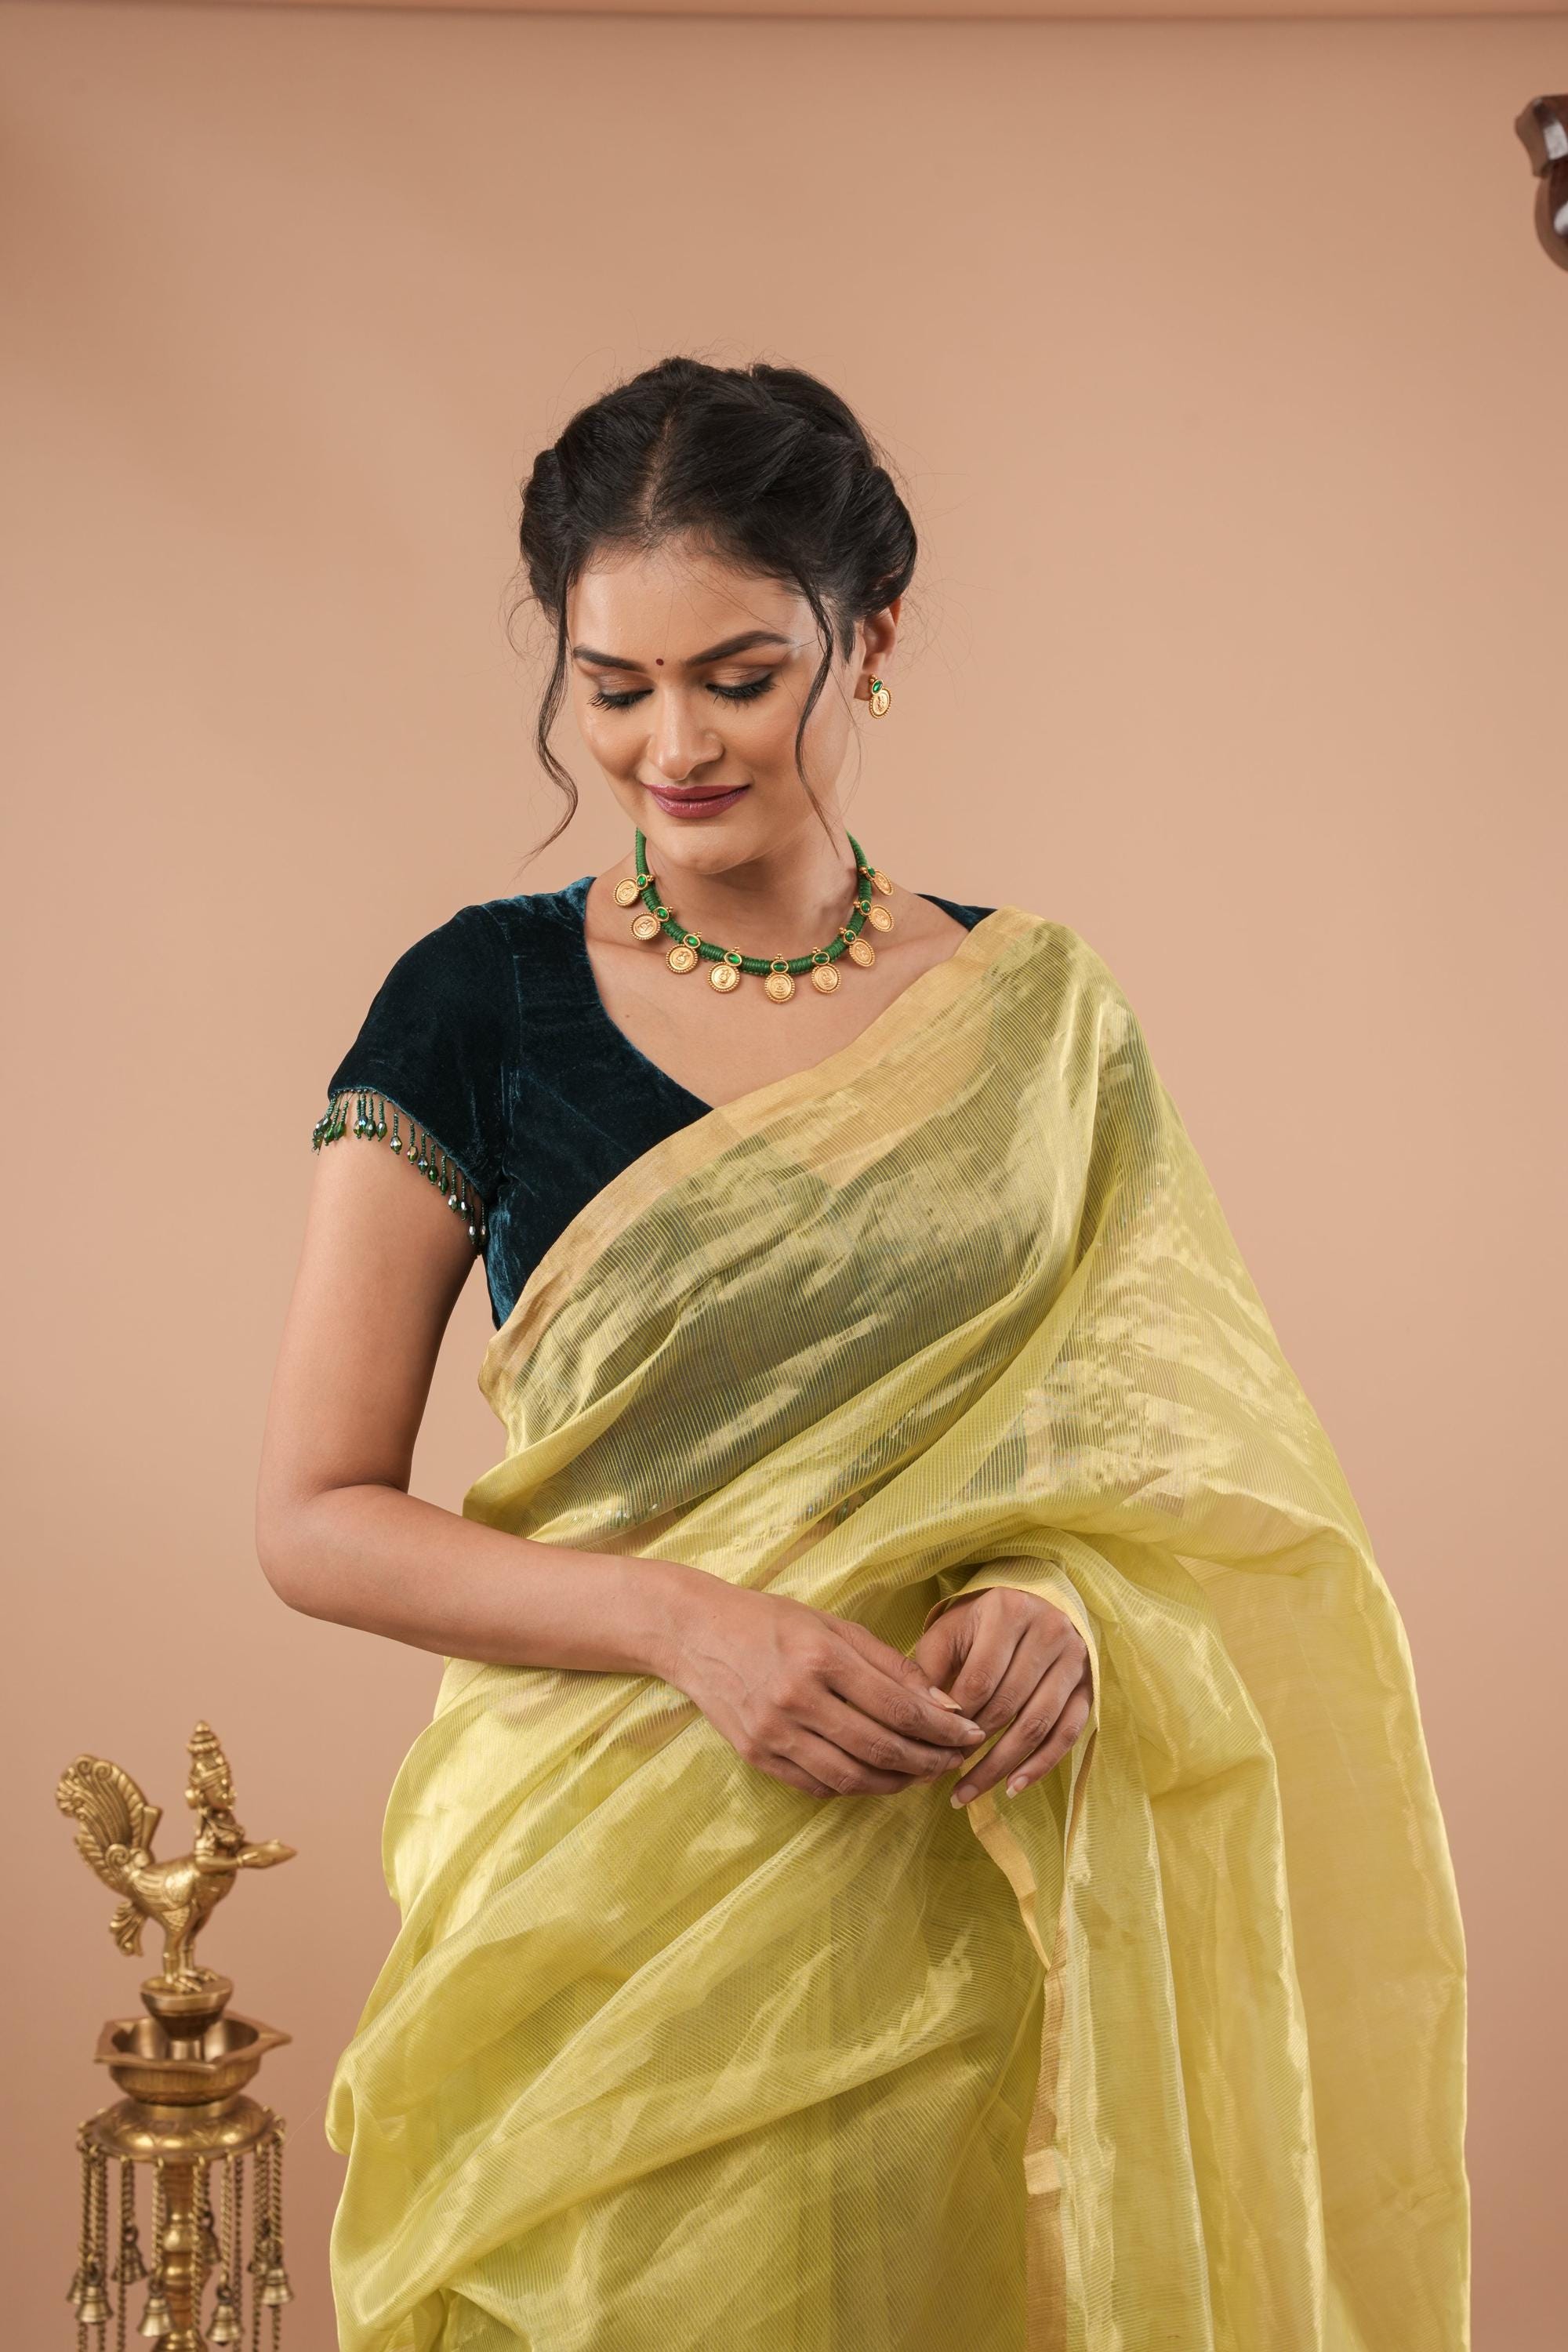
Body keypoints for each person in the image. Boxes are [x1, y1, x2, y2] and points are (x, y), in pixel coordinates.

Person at [255, 358, 1468, 2352]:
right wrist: (687, 1629)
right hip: (603, 1914)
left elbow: (1190, 1454)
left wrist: (1070, 1605)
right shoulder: (477, 1000)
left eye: (736, 678)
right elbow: (315, 1515)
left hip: (963, 1902)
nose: (670, 746)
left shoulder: (1035, 1019)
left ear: (871, 637)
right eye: (612, 687)